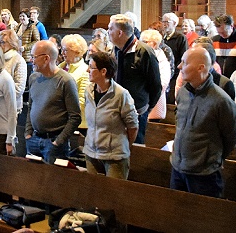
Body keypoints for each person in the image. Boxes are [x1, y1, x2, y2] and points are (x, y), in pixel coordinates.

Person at [171, 47, 236, 198]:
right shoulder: (183, 92)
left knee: (203, 219)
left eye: (184, 63)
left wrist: (211, 158)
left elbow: (231, 137)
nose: (179, 66)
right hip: (178, 168)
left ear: (201, 67)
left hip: (204, 175)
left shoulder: (221, 100)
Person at [108, 14, 162, 144]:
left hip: (136, 112)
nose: (108, 32)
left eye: (110, 29)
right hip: (116, 110)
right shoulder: (116, 49)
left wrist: (146, 109)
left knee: (134, 149)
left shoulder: (145, 52)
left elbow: (155, 86)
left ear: (120, 32)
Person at [84, 51, 138, 179]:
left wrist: (123, 147)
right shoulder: (89, 91)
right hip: (91, 153)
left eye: (91, 67)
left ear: (103, 71)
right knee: (92, 194)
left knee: (112, 197)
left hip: (114, 157)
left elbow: (133, 126)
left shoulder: (121, 95)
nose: (87, 70)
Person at [25, 39, 81, 163]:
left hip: (54, 142)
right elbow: (31, 107)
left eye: (34, 57)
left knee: (53, 180)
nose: (31, 60)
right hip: (34, 139)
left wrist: (58, 141)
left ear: (46, 58)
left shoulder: (65, 81)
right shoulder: (33, 78)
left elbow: (75, 117)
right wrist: (28, 133)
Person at [58, 34, 90, 130]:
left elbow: (81, 101)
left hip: (76, 124)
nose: (62, 53)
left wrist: (59, 110)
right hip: (59, 121)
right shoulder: (60, 67)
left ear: (76, 52)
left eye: (66, 50)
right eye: (62, 49)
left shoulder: (85, 71)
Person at [139, 29, 171, 122]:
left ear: (154, 44)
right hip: (140, 103)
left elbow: (162, 83)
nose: (141, 44)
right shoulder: (140, 55)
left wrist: (144, 93)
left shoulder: (161, 59)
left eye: (144, 41)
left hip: (153, 105)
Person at [0, 29, 27, 111]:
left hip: (10, 106)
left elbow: (19, 88)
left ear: (11, 43)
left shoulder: (19, 60)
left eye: (2, 42)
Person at [211, 14, 236, 78]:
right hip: (218, 78)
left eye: (224, 32)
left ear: (231, 26)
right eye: (219, 33)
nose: (221, 35)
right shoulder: (215, 40)